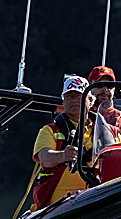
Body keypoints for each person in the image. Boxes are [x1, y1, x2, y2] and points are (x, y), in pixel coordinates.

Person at [31, 74, 95, 209]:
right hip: (60, 207)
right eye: (69, 96)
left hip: (98, 197)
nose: (74, 100)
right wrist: (63, 155)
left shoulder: (103, 128)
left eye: (79, 96)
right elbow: (44, 158)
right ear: (63, 101)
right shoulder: (49, 130)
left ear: (90, 100)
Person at [87, 65, 121, 145]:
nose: (105, 89)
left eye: (109, 86)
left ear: (114, 90)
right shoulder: (81, 119)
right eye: (99, 85)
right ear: (89, 88)